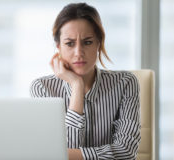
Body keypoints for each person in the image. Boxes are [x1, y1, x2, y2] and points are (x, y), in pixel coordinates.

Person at [30, 2, 141, 160]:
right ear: (58, 47)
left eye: (87, 42)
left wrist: (68, 155)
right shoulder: (42, 88)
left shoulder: (125, 83)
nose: (78, 53)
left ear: (98, 43)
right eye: (69, 44)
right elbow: (66, 150)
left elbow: (126, 151)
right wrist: (77, 86)